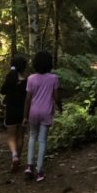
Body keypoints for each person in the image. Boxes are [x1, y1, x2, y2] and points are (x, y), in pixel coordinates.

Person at [22, 50, 61, 183]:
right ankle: (40, 171)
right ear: (50, 64)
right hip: (46, 112)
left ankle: (29, 166)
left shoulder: (31, 78)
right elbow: (56, 97)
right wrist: (60, 107)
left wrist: (25, 116)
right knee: (43, 141)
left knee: (32, 137)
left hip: (33, 112)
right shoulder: (54, 78)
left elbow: (27, 99)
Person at [0, 53, 28, 173]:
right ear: (24, 67)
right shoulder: (27, 81)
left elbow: (2, 90)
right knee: (20, 136)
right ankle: (18, 158)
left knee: (11, 136)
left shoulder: (10, 77)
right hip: (22, 111)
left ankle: (14, 156)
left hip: (10, 110)